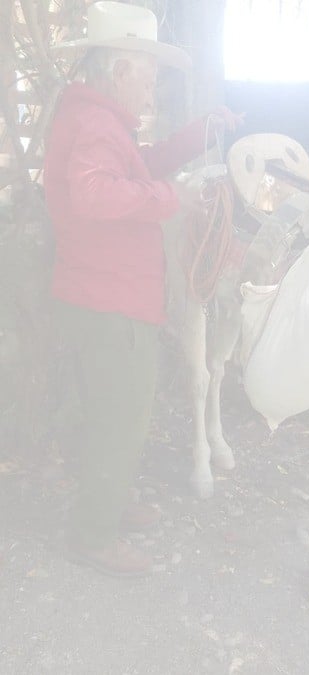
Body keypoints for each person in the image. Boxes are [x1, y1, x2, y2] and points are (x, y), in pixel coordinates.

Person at [44, 1, 243, 576]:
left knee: (113, 410)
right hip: (108, 299)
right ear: (119, 67)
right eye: (147, 69)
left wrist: (197, 135)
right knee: (122, 415)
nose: (153, 83)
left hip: (100, 294)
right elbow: (95, 195)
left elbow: (140, 166)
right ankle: (92, 533)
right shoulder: (96, 124)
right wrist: (170, 199)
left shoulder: (98, 120)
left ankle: (104, 502)